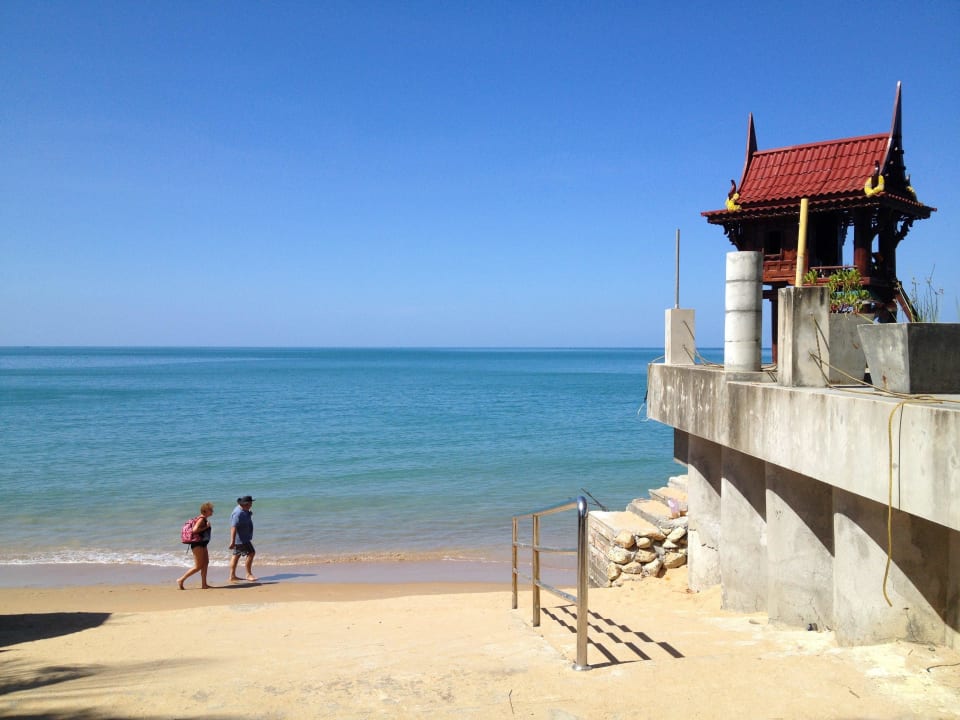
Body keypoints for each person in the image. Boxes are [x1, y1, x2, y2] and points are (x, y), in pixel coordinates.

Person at [177, 502, 214, 590]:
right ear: (205, 511)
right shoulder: (201, 519)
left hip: (203, 544)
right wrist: (206, 527)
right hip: (197, 544)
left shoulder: (204, 519)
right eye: (210, 510)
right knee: (198, 566)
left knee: (205, 563)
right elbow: (195, 530)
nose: (212, 511)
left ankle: (204, 584)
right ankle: (181, 579)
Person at [228, 495, 257, 582]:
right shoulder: (238, 513)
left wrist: (249, 514)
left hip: (242, 538)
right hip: (241, 539)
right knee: (251, 553)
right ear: (245, 504)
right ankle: (248, 574)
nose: (251, 505)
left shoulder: (243, 510)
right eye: (250, 504)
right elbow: (233, 527)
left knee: (236, 555)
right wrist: (232, 541)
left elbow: (245, 516)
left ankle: (232, 576)